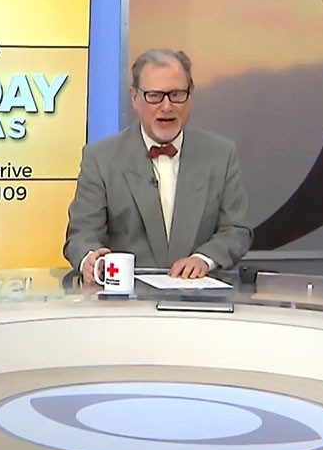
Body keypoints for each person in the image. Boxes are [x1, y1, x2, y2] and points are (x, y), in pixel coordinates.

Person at [64, 49, 252, 283]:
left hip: (198, 305)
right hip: (125, 307)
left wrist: (204, 259)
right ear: (134, 98)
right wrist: (91, 259)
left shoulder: (221, 155)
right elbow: (81, 235)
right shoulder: (101, 158)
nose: (166, 106)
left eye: (176, 94)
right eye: (154, 95)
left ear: (190, 95)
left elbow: (236, 231)